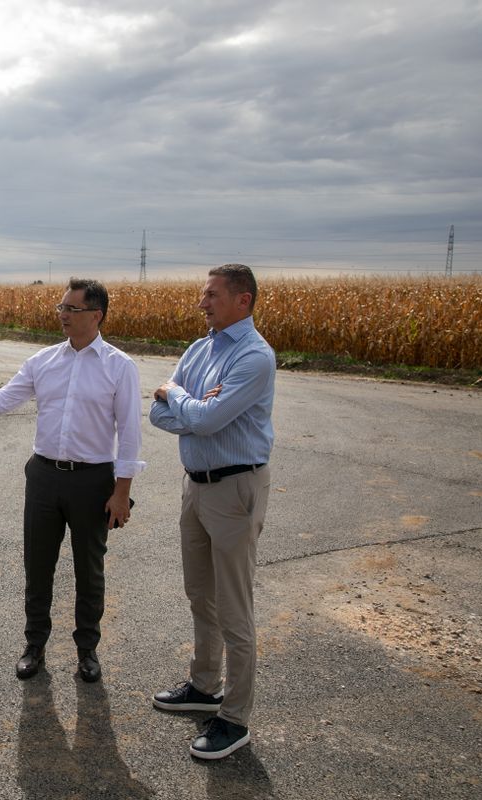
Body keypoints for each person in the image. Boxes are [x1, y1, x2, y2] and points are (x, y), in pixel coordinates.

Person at [0, 278, 144, 683]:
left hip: (92, 481)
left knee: (90, 570)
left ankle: (87, 650)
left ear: (96, 315)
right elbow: (1, 399)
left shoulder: (119, 367)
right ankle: (34, 645)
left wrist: (122, 492)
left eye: (71, 309)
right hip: (44, 476)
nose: (63, 315)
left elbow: (130, 434)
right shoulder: (43, 362)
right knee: (38, 565)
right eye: (61, 308)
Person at [148, 263, 276, 761]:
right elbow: (161, 415)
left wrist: (175, 395)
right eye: (204, 295)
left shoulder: (255, 357)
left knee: (234, 607)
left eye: (213, 296)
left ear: (243, 300)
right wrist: (189, 408)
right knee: (200, 592)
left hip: (235, 489)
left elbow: (201, 417)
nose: (203, 303)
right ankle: (205, 685)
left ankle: (235, 719)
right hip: (195, 487)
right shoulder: (200, 349)